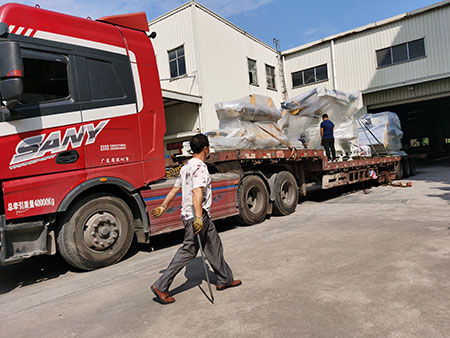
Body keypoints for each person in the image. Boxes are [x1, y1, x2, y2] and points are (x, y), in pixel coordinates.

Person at [150, 134, 241, 304]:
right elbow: (197, 191)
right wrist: (198, 218)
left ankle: (224, 279)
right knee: (189, 251)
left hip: (195, 215)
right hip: (196, 216)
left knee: (214, 245)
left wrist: (164, 205)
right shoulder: (200, 167)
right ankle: (161, 286)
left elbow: (175, 189)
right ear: (206, 148)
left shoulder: (186, 166)